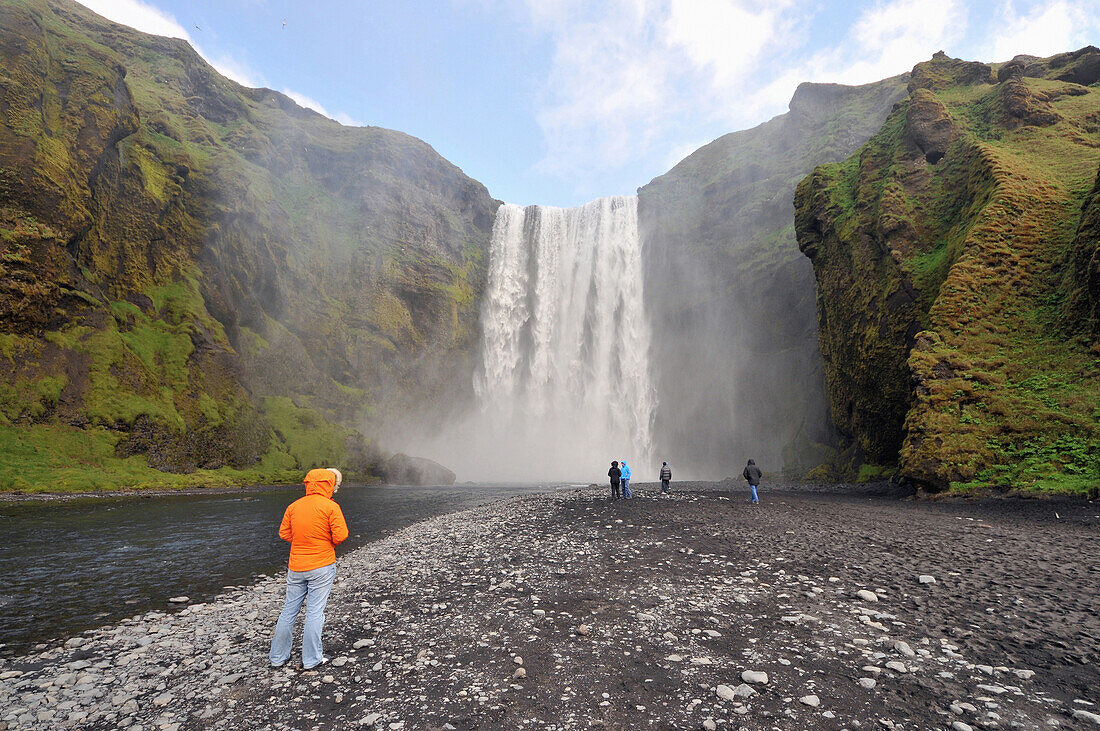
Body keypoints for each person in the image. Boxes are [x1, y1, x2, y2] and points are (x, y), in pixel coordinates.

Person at [270, 467, 349, 670]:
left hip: (296, 566)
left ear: (308, 484)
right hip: (322, 565)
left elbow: (284, 533)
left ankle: (278, 658)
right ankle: (312, 660)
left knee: (288, 611)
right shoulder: (331, 507)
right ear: (329, 484)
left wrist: (302, 541)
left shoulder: (293, 506)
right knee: (315, 612)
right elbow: (341, 536)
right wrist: (324, 542)